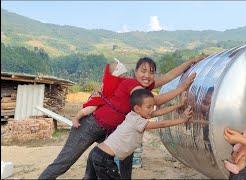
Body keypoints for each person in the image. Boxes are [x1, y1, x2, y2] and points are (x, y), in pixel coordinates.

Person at [39, 54, 208, 179]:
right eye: (143, 71)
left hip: (114, 130)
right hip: (92, 124)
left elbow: (169, 76)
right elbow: (154, 101)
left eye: (151, 72)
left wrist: (191, 62)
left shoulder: (147, 86)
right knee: (64, 162)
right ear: (135, 71)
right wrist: (182, 88)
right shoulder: (132, 85)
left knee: (125, 156)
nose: (147, 76)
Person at [84, 88, 192, 179]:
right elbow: (162, 124)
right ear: (137, 108)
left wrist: (180, 105)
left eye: (153, 106)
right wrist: (182, 119)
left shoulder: (134, 115)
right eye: (149, 107)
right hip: (104, 159)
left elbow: (157, 113)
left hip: (97, 153)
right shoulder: (137, 121)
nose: (152, 110)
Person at [72, 60, 128, 128]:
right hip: (103, 99)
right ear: (118, 73)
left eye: (125, 74)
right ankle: (76, 118)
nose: (125, 76)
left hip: (111, 102)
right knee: (91, 108)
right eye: (123, 74)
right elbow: (107, 91)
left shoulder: (120, 80)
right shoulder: (111, 80)